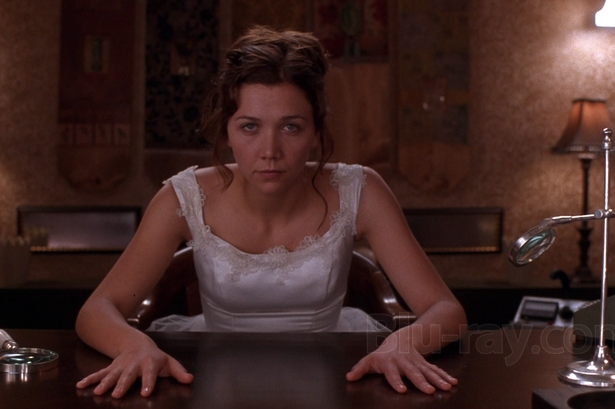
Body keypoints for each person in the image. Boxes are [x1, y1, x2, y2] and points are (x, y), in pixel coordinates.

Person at [75, 25, 467, 399]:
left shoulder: (361, 191)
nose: (270, 151)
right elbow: (97, 310)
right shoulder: (183, 198)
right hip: (216, 381)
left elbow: (446, 310)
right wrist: (135, 346)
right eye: (249, 127)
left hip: (331, 380)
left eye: (291, 127)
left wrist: (402, 343)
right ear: (226, 131)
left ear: (316, 132)